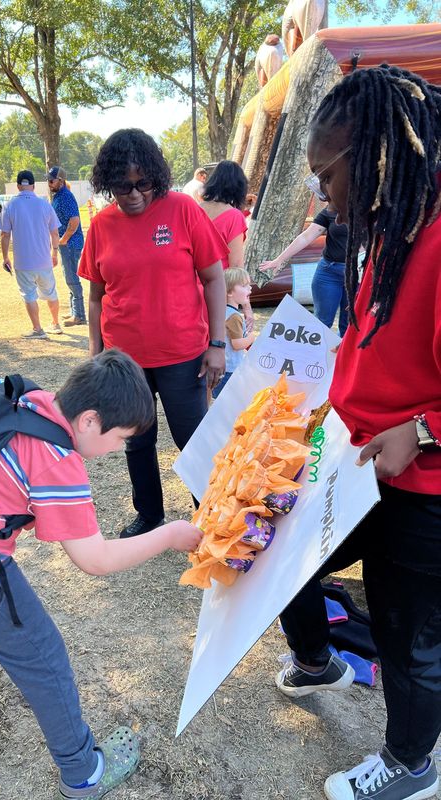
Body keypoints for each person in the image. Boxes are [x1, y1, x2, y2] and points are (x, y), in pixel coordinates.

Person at [0, 349, 203, 798]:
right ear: (88, 420)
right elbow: (95, 559)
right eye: (120, 437)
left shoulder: (26, 399)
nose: (121, 448)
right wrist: (170, 535)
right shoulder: (58, 460)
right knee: (43, 659)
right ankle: (83, 772)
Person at [274, 65, 441, 800]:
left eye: (326, 176)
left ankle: (412, 765)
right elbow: (364, 347)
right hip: (353, 459)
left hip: (422, 488)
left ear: (375, 155)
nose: (323, 197)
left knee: (411, 642)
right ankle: (318, 660)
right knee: (271, 548)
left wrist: (425, 430)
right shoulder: (389, 231)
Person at [78, 128, 227, 539]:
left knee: (192, 441)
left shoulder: (182, 209)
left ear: (156, 178)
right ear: (109, 183)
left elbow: (214, 279)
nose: (134, 194)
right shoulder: (102, 225)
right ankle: (149, 514)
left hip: (182, 354)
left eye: (143, 183)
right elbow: (95, 296)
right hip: (126, 362)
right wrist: (96, 354)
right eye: (123, 186)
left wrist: (217, 344)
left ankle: (211, 518)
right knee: (136, 441)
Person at [260, 204, 349, 337]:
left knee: (349, 325)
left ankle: (345, 356)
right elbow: (305, 237)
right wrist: (279, 259)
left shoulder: (372, 207)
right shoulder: (332, 208)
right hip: (329, 271)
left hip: (358, 273)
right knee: (321, 323)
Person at [0, 170, 63, 339]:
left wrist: (5, 257)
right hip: (44, 259)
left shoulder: (10, 205)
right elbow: (55, 233)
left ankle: (37, 329)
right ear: (34, 186)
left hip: (23, 261)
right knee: (51, 292)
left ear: (18, 186)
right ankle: (55, 323)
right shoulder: (44, 204)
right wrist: (54, 252)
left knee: (29, 294)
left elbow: (4, 234)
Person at [200, 160, 253, 332]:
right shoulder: (234, 216)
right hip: (220, 291)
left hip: (193, 288)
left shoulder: (195, 209)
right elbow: (236, 266)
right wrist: (247, 307)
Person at [47, 166, 87, 327]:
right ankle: (74, 311)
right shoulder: (59, 195)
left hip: (70, 243)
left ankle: (79, 315)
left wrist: (64, 239)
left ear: (60, 181)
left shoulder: (66, 196)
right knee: (68, 276)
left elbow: (75, 221)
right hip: (67, 243)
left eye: (51, 180)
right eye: (48, 180)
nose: (49, 183)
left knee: (71, 277)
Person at [212, 268, 256, 399]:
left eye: (249, 284)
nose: (250, 288)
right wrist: (251, 337)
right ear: (230, 292)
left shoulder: (222, 311)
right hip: (231, 370)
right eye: (244, 286)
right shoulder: (234, 316)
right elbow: (237, 344)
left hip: (223, 368)